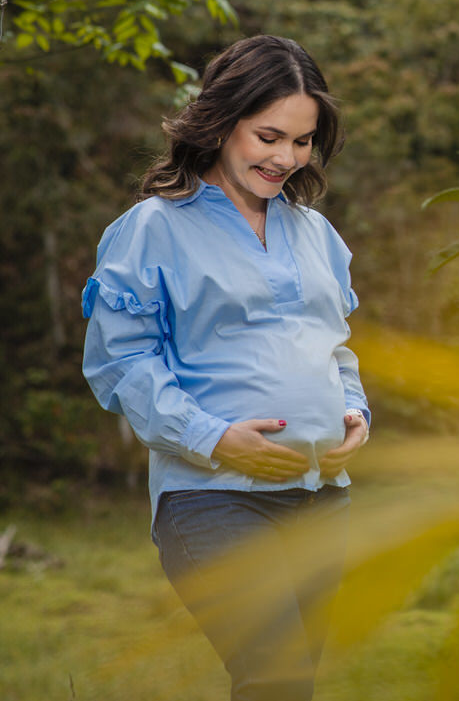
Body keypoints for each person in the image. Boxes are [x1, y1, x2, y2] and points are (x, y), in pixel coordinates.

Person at [81, 35, 370, 701]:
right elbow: (121, 362)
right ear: (220, 120)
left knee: (293, 683)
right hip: (213, 497)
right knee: (277, 680)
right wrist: (212, 436)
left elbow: (335, 345)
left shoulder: (315, 231)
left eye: (301, 142)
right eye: (268, 135)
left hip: (324, 496)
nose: (285, 159)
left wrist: (355, 411)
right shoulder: (152, 227)